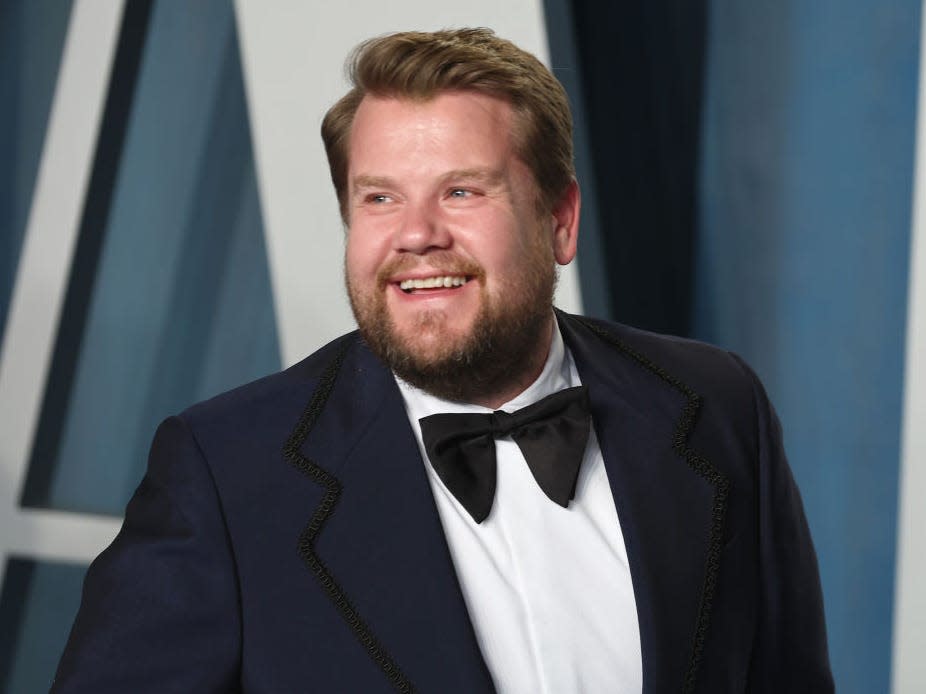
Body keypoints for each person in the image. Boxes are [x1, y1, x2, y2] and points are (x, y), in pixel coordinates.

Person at [53, 28, 833, 693]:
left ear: (560, 222)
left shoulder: (717, 407)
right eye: (380, 198)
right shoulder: (227, 475)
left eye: (463, 191)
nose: (416, 234)